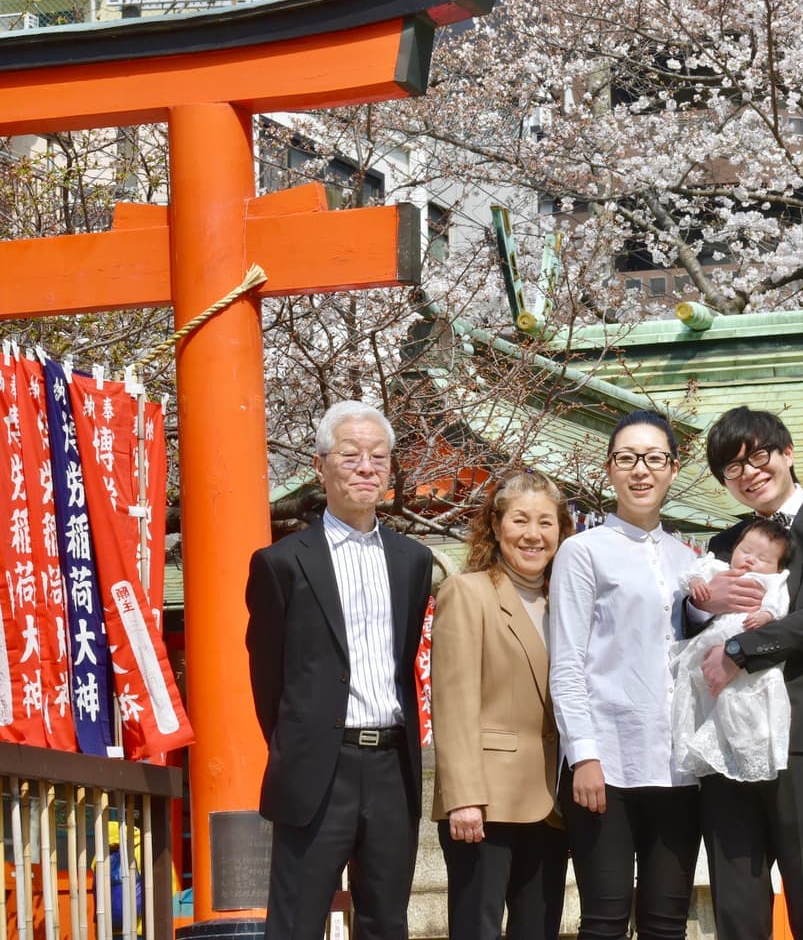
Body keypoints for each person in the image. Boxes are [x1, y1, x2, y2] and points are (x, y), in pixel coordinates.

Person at [246, 401, 433, 940]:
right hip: (316, 768)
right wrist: (300, 740)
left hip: (392, 764)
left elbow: (403, 665)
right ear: (320, 466)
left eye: (379, 457)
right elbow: (268, 680)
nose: (366, 468)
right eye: (350, 456)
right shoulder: (281, 563)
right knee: (297, 921)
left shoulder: (412, 560)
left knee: (385, 920)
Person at [690, 406, 803, 940]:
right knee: (737, 905)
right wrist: (698, 608)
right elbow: (695, 623)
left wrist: (740, 648)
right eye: (732, 467)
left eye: (757, 455)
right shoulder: (723, 545)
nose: (748, 472)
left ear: (788, 453)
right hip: (729, 744)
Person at [548, 410, 701, 940]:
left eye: (654, 458)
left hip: (680, 768)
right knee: (605, 921)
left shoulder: (690, 560)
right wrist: (583, 753)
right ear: (609, 470)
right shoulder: (582, 551)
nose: (642, 470)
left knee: (667, 924)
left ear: (673, 469)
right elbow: (567, 661)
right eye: (627, 459)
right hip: (605, 766)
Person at [430, 470, 574, 940]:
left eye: (546, 523)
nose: (533, 535)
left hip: (553, 800)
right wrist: (463, 797)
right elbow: (453, 701)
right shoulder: (468, 592)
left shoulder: (566, 602)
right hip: (485, 802)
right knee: (477, 929)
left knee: (539, 930)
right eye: (520, 520)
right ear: (495, 526)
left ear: (562, 530)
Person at [671, 518, 792, 782]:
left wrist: (766, 614)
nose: (750, 561)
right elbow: (693, 574)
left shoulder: (772, 581)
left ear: (776, 566)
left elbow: (778, 604)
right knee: (698, 690)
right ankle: (698, 739)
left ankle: (747, 743)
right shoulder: (718, 566)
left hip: (748, 645)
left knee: (746, 694)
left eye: (762, 558)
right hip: (711, 639)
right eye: (745, 551)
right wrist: (697, 586)